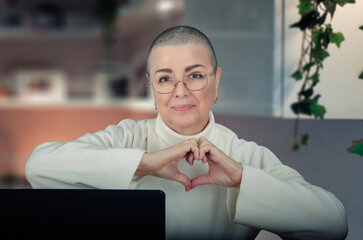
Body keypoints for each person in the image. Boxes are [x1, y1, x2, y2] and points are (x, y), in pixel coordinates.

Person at [25, 25, 348, 240]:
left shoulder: (248, 155)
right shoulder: (125, 138)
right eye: (165, 79)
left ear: (216, 80)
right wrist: (145, 163)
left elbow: (334, 225)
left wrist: (241, 178)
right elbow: (38, 167)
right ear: (151, 86)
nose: (180, 92)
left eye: (195, 75)